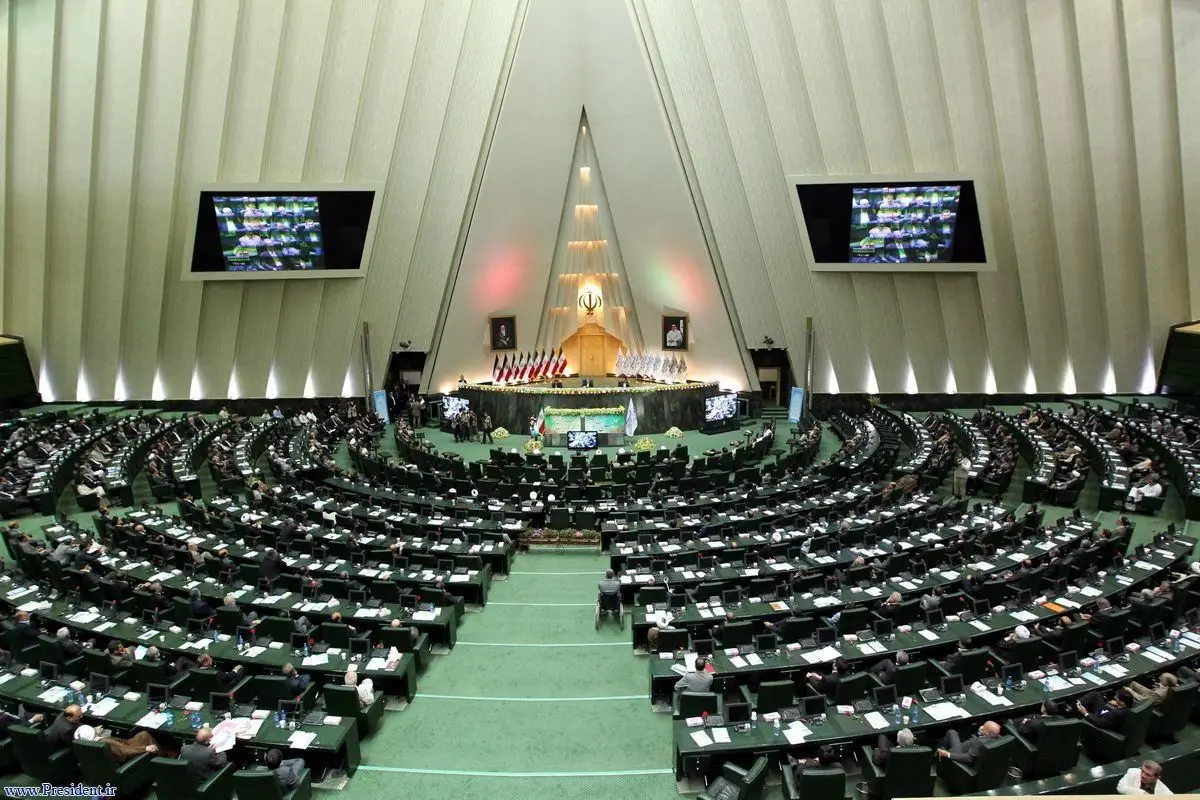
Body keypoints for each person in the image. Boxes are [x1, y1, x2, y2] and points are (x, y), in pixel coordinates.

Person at [74, 724, 159, 763]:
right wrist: (145, 748)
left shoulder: (85, 745)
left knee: (143, 734)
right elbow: (125, 751)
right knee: (145, 735)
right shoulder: (104, 743)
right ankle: (160, 759)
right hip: (126, 754)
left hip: (124, 746)